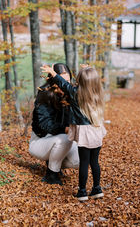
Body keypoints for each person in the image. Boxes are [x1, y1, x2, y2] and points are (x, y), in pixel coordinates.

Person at [41, 64, 107, 201]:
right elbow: (91, 80)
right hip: (96, 130)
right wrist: (89, 69)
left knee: (84, 162)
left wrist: (53, 73)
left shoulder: (76, 93)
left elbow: (63, 84)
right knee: (95, 162)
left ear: (80, 82)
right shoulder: (98, 93)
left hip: (84, 132)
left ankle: (82, 192)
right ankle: (97, 189)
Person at [29, 63, 79, 186]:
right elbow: (45, 124)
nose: (64, 83)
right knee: (65, 138)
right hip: (41, 140)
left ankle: (54, 161)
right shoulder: (44, 94)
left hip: (61, 138)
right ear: (53, 79)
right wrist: (67, 129)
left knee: (81, 159)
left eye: (66, 80)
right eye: (60, 79)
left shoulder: (70, 94)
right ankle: (51, 173)